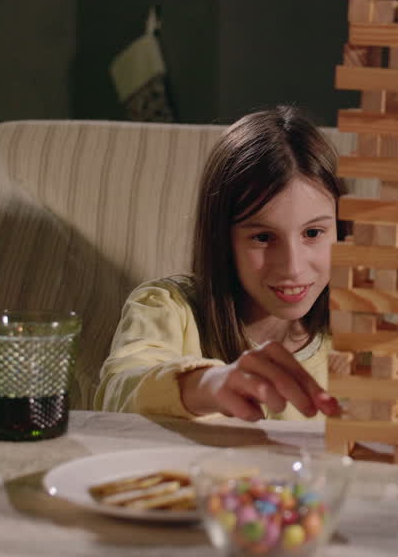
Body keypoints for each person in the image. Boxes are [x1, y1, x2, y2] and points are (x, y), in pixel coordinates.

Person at [96, 107, 343, 422]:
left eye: (313, 233)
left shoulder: (358, 333)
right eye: (263, 237)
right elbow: (117, 393)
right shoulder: (167, 308)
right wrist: (206, 384)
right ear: (222, 238)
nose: (292, 267)